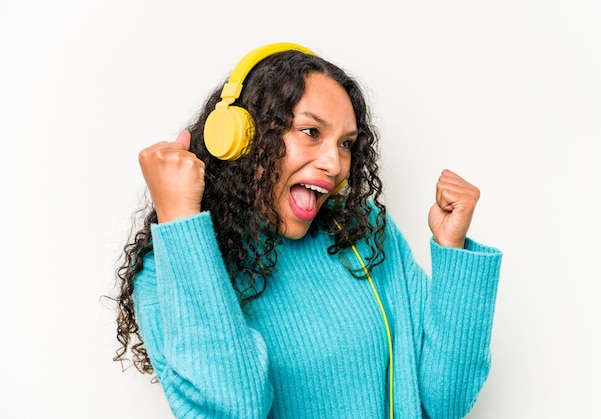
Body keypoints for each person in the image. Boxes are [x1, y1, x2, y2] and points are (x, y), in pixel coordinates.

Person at [114, 42, 502, 419]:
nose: (335, 164)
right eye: (311, 132)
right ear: (243, 136)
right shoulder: (173, 270)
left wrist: (451, 248)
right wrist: (180, 217)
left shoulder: (363, 233)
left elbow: (446, 402)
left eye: (346, 143)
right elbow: (234, 410)